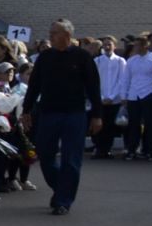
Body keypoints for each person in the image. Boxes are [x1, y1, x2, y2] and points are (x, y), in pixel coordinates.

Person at [21, 19, 102, 215]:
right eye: (50, 33)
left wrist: (97, 116)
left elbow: (94, 88)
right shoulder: (45, 57)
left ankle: (63, 200)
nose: (50, 37)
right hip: (48, 113)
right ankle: (61, 188)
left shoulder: (82, 57)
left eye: (54, 33)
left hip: (74, 114)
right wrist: (26, 111)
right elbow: (34, 86)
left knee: (71, 158)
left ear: (66, 35)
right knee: (45, 153)